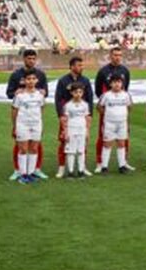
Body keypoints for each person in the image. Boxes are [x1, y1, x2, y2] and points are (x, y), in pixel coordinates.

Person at [7, 49, 49, 182]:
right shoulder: (16, 75)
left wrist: (42, 91)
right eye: (29, 58)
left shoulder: (41, 74)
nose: (31, 61)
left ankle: (35, 170)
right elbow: (9, 93)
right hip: (22, 117)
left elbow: (44, 93)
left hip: (35, 117)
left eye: (33, 58)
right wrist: (16, 92)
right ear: (24, 59)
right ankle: (18, 170)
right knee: (21, 146)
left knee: (36, 146)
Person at [55, 56, 94, 179]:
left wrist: (90, 116)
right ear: (71, 66)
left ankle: (82, 167)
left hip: (81, 118)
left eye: (82, 65)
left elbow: (90, 99)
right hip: (68, 117)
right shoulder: (63, 81)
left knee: (83, 143)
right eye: (78, 65)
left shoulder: (86, 81)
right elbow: (58, 99)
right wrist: (61, 115)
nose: (81, 67)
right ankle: (62, 167)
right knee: (64, 142)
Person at [94, 47, 131, 170]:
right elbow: (98, 90)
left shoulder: (125, 71)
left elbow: (126, 89)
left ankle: (123, 162)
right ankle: (100, 163)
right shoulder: (103, 71)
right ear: (110, 56)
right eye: (115, 55)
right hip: (107, 109)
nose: (117, 57)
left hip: (121, 112)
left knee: (123, 138)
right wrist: (106, 107)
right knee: (103, 137)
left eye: (120, 55)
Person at [10, 72, 45, 183]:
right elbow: (14, 110)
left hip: (36, 124)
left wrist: (39, 121)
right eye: (28, 79)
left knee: (34, 148)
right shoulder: (19, 95)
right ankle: (23, 174)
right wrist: (14, 125)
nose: (31, 81)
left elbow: (42, 108)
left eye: (33, 78)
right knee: (23, 149)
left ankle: (30, 173)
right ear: (24, 81)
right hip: (22, 124)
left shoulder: (40, 95)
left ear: (37, 81)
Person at [98, 74, 134, 174]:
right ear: (110, 84)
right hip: (109, 124)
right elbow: (99, 106)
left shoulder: (126, 95)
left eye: (119, 82)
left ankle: (122, 165)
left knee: (121, 143)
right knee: (107, 144)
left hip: (122, 123)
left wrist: (122, 114)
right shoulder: (106, 95)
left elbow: (130, 106)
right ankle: (104, 167)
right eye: (114, 82)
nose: (117, 84)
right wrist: (108, 114)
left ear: (122, 84)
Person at [60, 83, 92, 178]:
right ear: (71, 93)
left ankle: (81, 171)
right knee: (71, 151)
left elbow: (87, 118)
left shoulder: (85, 105)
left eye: (80, 92)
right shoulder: (68, 105)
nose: (78, 94)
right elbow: (65, 119)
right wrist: (65, 132)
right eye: (75, 92)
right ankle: (70, 171)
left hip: (82, 130)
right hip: (71, 129)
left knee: (81, 151)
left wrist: (87, 131)